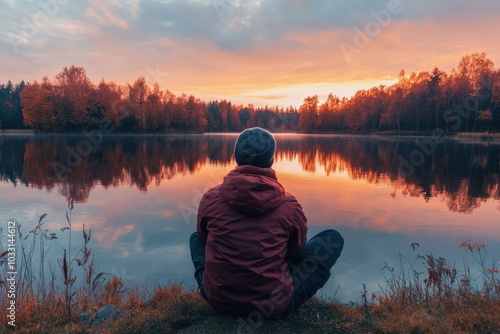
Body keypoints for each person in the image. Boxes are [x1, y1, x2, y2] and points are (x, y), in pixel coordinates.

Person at [189, 127, 344, 319]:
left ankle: (222, 287)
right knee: (333, 239)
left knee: (196, 238)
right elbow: (295, 250)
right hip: (272, 306)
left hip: (219, 301)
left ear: (236, 158)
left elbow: (204, 238)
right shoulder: (290, 205)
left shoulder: (210, 198)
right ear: (271, 161)